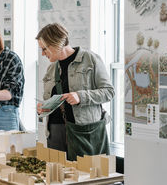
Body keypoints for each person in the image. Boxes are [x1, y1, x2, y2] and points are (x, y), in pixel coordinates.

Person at [36, 23, 115, 161]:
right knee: (58, 178)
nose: (42, 53)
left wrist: (81, 96)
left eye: (44, 49)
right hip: (55, 134)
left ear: (56, 43)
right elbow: (50, 100)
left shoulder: (90, 59)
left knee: (86, 177)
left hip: (84, 132)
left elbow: (109, 92)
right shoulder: (50, 69)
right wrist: (43, 108)